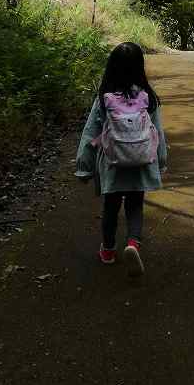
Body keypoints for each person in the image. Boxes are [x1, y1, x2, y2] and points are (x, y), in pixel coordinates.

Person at [75, 42, 167, 276]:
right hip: (141, 162)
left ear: (112, 67)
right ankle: (133, 244)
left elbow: (90, 132)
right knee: (135, 205)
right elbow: (158, 132)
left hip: (112, 164)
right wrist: (162, 161)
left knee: (110, 208)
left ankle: (107, 250)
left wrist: (84, 166)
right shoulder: (148, 97)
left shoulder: (105, 98)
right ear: (140, 67)